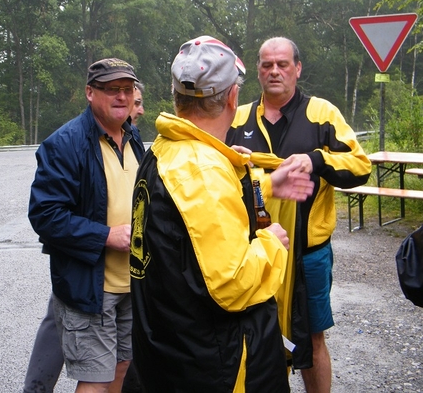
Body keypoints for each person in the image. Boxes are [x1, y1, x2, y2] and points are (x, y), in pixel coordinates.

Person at [130, 35, 315, 392]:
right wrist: (271, 244)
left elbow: (191, 234)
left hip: (169, 348)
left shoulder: (164, 150)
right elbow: (233, 284)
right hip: (217, 365)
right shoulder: (203, 171)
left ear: (176, 95)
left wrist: (263, 183)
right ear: (232, 96)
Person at [226, 37, 371, 392]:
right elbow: (213, 175)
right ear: (257, 70)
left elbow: (360, 166)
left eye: (283, 64)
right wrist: (231, 157)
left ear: (298, 68)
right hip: (252, 250)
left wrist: (318, 159)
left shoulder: (322, 113)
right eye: (266, 65)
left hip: (307, 252)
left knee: (312, 339)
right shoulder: (237, 117)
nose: (274, 71)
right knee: (248, 336)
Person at [28, 58, 145, 393]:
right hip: (91, 286)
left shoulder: (133, 138)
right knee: (96, 377)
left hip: (131, 284)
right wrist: (106, 235)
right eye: (112, 90)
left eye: (127, 89)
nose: (122, 96)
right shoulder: (64, 144)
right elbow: (45, 215)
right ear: (90, 93)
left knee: (122, 365)